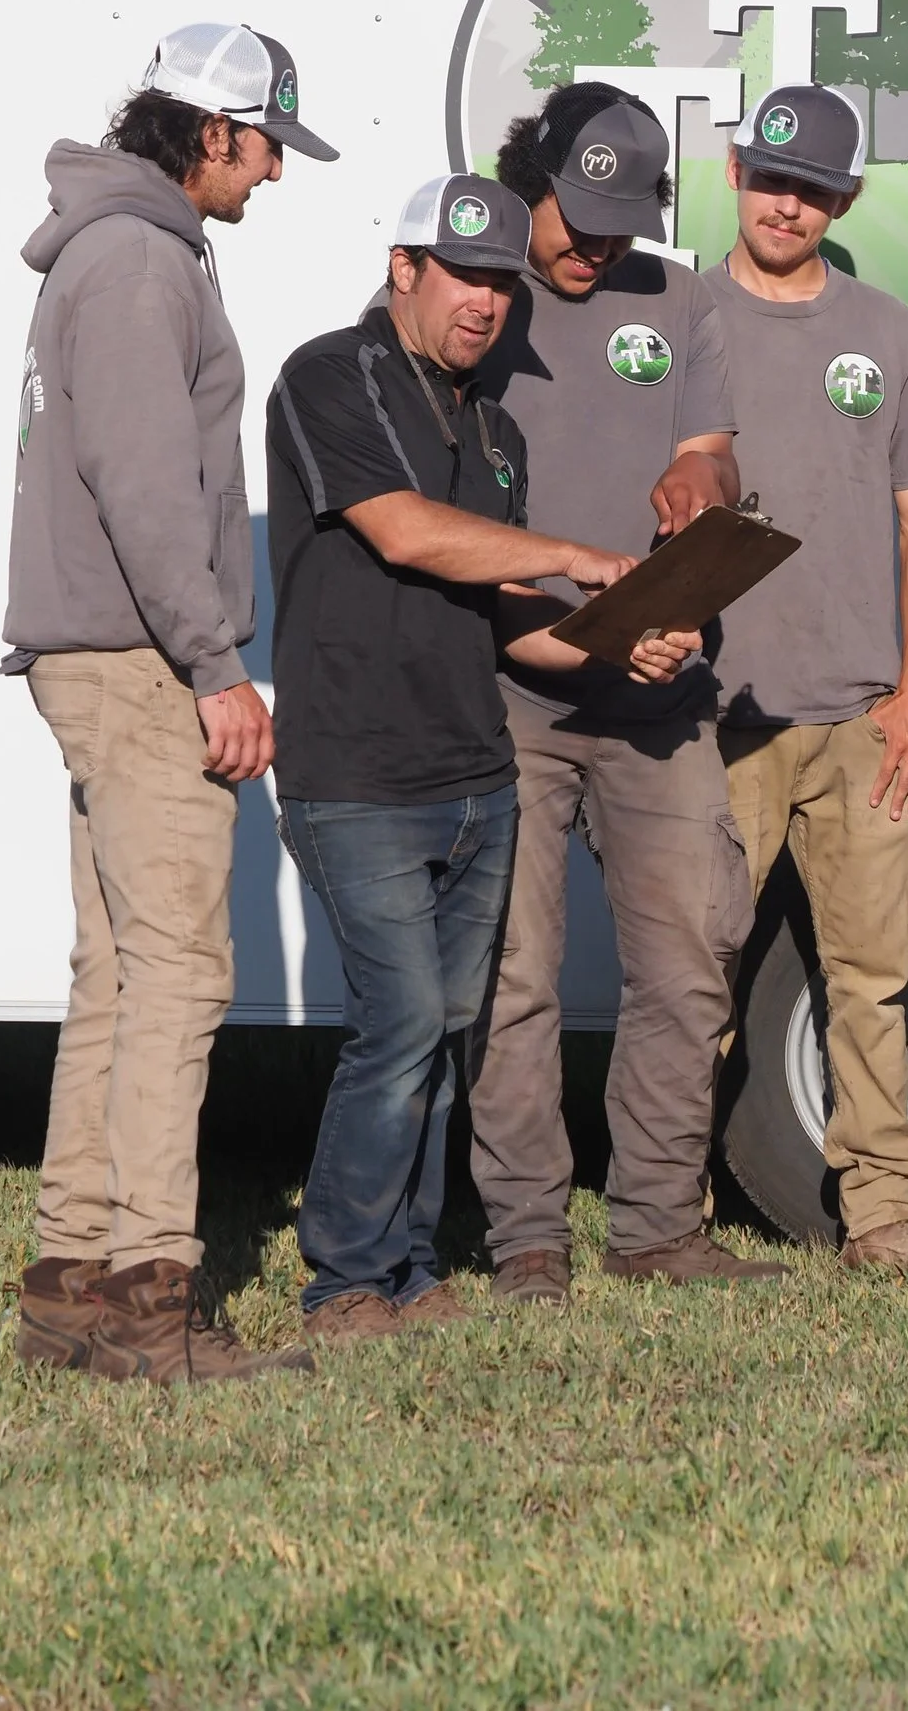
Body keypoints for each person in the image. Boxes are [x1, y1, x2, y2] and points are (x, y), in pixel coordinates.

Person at [265, 176, 702, 1344]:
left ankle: (409, 1269)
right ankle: (343, 1281)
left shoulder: (493, 430)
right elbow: (405, 531)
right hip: (352, 775)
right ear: (403, 267)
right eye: (460, 273)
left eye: (500, 282)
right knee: (402, 1018)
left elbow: (518, 621)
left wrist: (625, 649)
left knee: (449, 1026)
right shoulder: (325, 376)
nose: (483, 302)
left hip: (474, 779)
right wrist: (581, 554)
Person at [4, 22, 335, 1384]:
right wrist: (215, 662)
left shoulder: (116, 249)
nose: (272, 176)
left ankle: (70, 1278)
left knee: (118, 969)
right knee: (186, 969)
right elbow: (147, 490)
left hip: (97, 650)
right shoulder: (141, 264)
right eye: (265, 148)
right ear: (212, 132)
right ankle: (151, 1293)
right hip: (140, 656)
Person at [467, 85, 782, 1305]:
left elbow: (712, 444)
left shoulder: (680, 295)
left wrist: (698, 483)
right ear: (525, 175)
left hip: (659, 690)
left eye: (617, 222)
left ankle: (657, 1226)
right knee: (518, 978)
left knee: (692, 954)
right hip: (511, 697)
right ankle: (527, 1242)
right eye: (574, 217)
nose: (594, 245)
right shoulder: (473, 284)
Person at [702, 85, 908, 1270]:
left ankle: (880, 1213)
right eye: (770, 179)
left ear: (845, 200)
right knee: (694, 977)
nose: (786, 204)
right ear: (732, 175)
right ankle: (671, 1215)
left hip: (862, 714)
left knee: (870, 982)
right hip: (714, 719)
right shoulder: (678, 322)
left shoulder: (891, 335)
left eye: (811, 189)